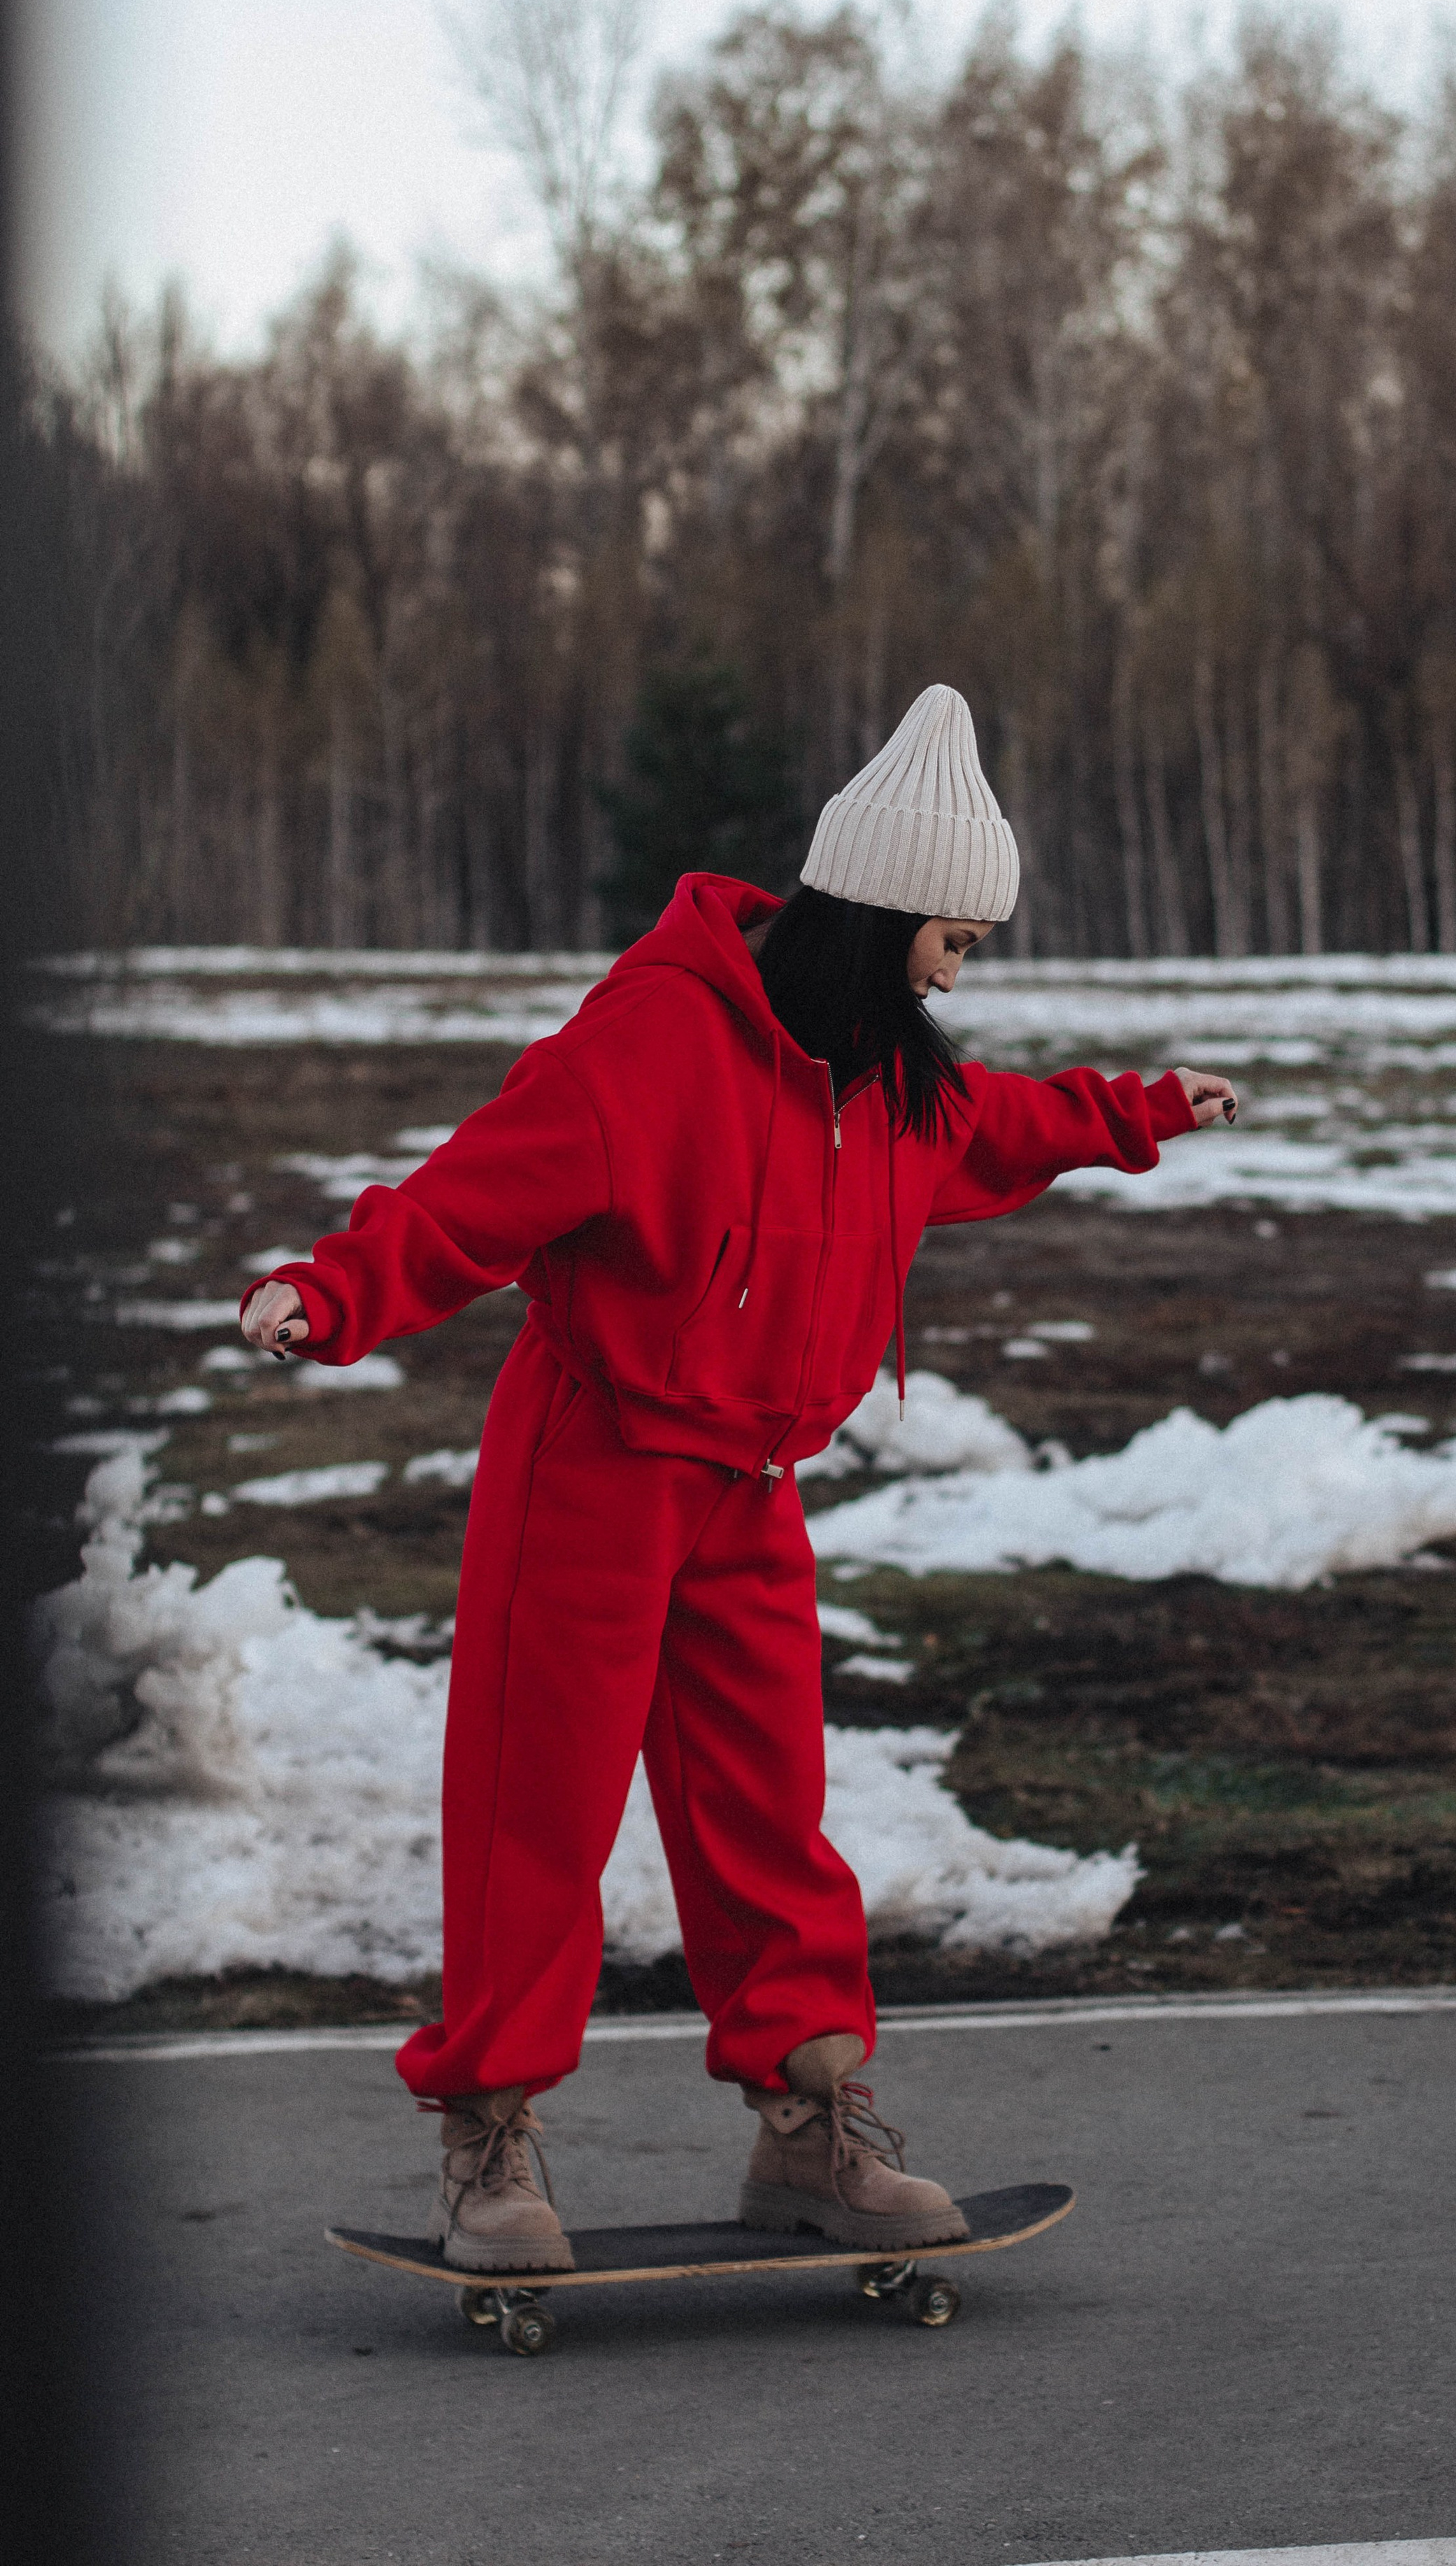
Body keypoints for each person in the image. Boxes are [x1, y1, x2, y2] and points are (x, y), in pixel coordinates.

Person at [241, 683, 1236, 2273]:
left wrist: (1132, 1114)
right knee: (535, 1812)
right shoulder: (654, 1042)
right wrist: (337, 1292)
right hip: (592, 1462)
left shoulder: (890, 1079)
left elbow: (995, 1126)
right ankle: (491, 2140)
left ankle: (808, 2123)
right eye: (951, 939)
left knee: (770, 1813)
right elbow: (473, 1194)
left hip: (749, 1486)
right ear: (882, 910)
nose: (955, 969)